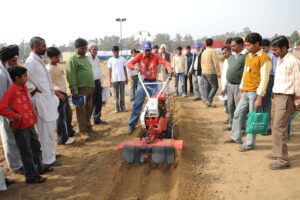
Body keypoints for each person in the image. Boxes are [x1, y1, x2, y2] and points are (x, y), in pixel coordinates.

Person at [0, 66, 52, 184]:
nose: (26, 78)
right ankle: (31, 176)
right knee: (26, 151)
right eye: (24, 76)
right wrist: (16, 116)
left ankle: (40, 167)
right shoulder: (12, 91)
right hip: (20, 126)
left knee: (36, 146)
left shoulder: (23, 87)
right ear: (17, 78)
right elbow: (1, 108)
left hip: (29, 123)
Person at [225, 33, 272, 151]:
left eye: (249, 45)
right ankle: (236, 137)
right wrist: (241, 90)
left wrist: (259, 97)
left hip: (255, 92)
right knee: (237, 113)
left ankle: (250, 143)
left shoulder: (264, 58)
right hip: (245, 91)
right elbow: (245, 74)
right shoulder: (248, 56)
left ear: (257, 44)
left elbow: (265, 79)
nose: (246, 47)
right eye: (246, 45)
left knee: (252, 119)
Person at [24, 37, 60, 167]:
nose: (45, 48)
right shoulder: (30, 62)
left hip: (48, 101)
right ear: (35, 47)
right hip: (41, 101)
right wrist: (33, 89)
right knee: (45, 132)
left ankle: (51, 153)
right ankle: (48, 159)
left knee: (50, 129)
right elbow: (23, 79)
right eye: (42, 46)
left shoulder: (38, 61)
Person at [268, 36, 300, 169]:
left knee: (279, 128)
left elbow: (298, 81)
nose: (273, 52)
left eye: (275, 50)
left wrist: (297, 99)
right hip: (276, 97)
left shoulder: (293, 61)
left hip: (286, 98)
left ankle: (283, 160)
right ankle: (276, 152)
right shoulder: (280, 60)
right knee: (274, 125)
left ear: (284, 48)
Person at [127, 42, 173, 134]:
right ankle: (131, 125)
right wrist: (135, 68)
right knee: (137, 104)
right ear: (143, 49)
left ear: (151, 50)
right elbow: (129, 64)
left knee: (157, 103)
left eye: (149, 50)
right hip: (143, 82)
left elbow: (164, 62)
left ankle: (158, 122)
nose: (147, 52)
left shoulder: (155, 56)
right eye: (146, 50)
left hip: (153, 83)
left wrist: (169, 68)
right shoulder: (139, 56)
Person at [46, 47, 76, 145]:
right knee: (60, 117)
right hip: (58, 95)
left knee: (68, 114)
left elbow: (60, 80)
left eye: (59, 56)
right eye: (56, 57)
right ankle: (62, 138)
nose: (59, 58)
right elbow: (48, 84)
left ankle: (70, 131)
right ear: (50, 57)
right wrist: (58, 94)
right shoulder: (48, 69)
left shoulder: (58, 65)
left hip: (63, 93)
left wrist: (65, 92)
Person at [0, 45, 23, 173]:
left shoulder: (6, 70)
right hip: (6, 113)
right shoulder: (1, 74)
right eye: (13, 60)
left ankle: (18, 162)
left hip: (12, 112)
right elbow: (2, 100)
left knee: (14, 139)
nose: (15, 62)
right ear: (7, 60)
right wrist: (11, 116)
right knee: (8, 138)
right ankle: (15, 166)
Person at [66, 38, 95, 140]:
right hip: (80, 89)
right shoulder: (72, 59)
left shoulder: (86, 58)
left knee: (89, 108)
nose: (84, 50)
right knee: (81, 111)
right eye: (81, 48)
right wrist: (74, 90)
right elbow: (71, 76)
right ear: (76, 48)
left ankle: (87, 126)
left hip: (90, 88)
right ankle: (83, 131)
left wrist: (93, 86)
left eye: (85, 48)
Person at [223, 37, 246, 130]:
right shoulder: (231, 57)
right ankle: (231, 123)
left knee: (239, 107)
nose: (232, 48)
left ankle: (241, 126)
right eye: (231, 46)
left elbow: (245, 73)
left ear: (241, 45)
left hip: (238, 86)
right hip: (229, 85)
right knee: (230, 105)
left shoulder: (245, 57)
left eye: (234, 46)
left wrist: (242, 88)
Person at [86, 43, 107, 124]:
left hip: (97, 81)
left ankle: (97, 119)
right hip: (90, 82)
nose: (96, 51)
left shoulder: (97, 59)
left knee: (99, 101)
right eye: (94, 49)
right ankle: (88, 122)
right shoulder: (86, 58)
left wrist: (101, 83)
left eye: (96, 49)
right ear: (89, 50)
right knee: (91, 102)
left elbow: (99, 71)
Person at [261, 39, 278, 134]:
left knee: (267, 103)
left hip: (270, 78)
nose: (262, 49)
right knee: (264, 103)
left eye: (264, 47)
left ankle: (267, 127)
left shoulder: (272, 56)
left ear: (268, 47)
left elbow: (275, 71)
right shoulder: (264, 55)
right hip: (265, 78)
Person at [107, 46, 128, 112]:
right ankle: (117, 108)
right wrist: (110, 80)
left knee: (122, 94)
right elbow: (109, 70)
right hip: (114, 79)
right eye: (114, 52)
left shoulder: (123, 59)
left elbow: (125, 69)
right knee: (116, 95)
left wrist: (126, 78)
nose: (116, 53)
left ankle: (123, 107)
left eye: (117, 52)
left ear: (119, 52)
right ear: (112, 52)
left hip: (122, 79)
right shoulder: (110, 60)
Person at [201, 38, 221, 107]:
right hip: (211, 72)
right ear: (212, 43)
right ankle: (209, 100)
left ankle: (207, 100)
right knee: (215, 87)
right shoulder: (213, 51)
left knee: (206, 87)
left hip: (204, 72)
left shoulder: (204, 52)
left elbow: (202, 62)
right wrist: (218, 72)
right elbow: (216, 62)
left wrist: (203, 71)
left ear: (206, 44)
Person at [220, 45, 232, 126]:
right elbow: (224, 75)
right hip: (225, 85)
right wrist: (223, 87)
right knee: (226, 104)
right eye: (223, 53)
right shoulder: (226, 61)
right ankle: (229, 118)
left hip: (231, 85)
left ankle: (231, 121)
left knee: (230, 105)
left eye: (225, 53)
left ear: (230, 51)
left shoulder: (232, 60)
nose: (224, 54)